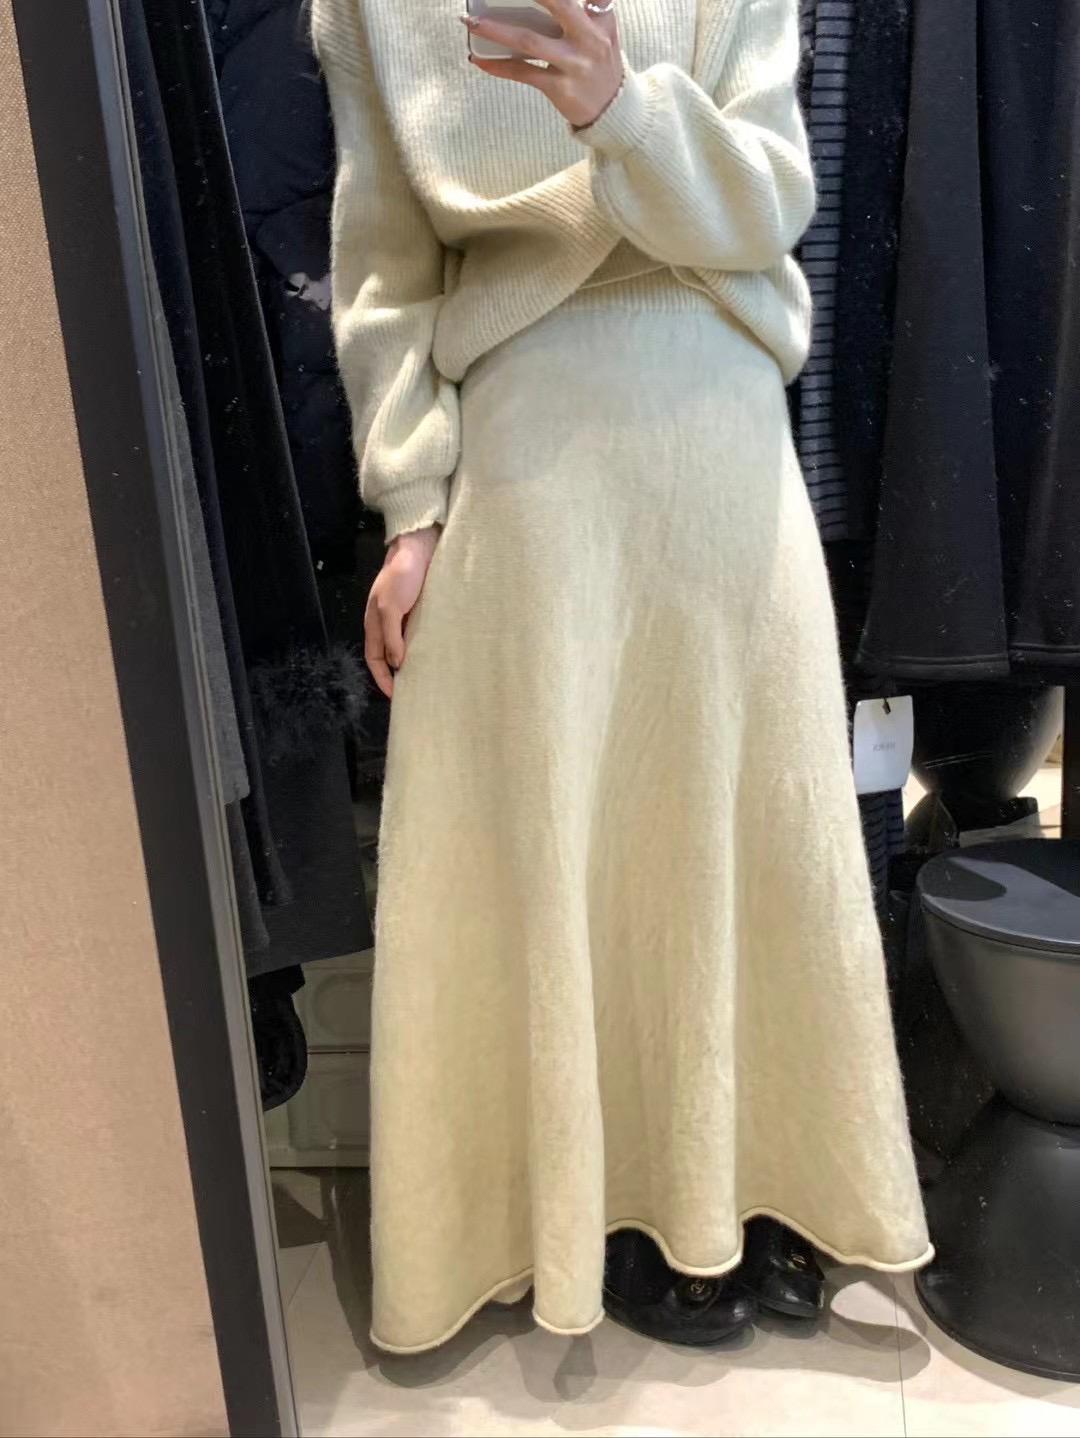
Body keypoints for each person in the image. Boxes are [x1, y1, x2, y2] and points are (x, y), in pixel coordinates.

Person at [313, 0, 931, 1355]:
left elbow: (771, 200)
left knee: (750, 835)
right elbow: (382, 264)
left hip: (719, 439)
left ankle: (751, 1190)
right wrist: (409, 506)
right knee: (558, 845)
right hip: (527, 459)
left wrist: (624, 113)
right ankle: (593, 1208)